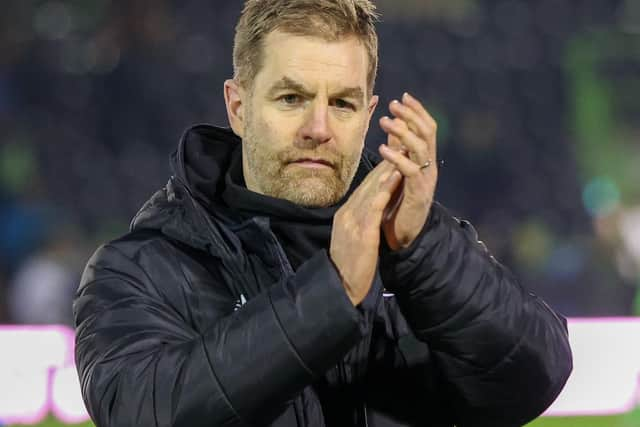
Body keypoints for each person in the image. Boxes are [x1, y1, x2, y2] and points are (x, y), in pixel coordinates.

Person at [73, 1, 572, 426]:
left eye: (342, 103)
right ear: (238, 106)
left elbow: (532, 379)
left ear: (369, 114)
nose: (319, 127)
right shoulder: (139, 270)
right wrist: (333, 293)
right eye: (291, 98)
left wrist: (420, 250)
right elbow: (144, 411)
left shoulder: (412, 257)